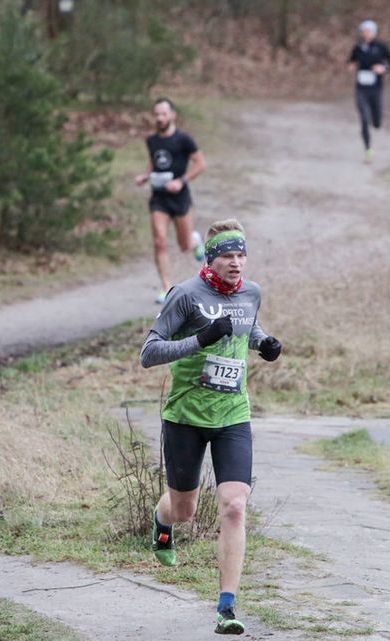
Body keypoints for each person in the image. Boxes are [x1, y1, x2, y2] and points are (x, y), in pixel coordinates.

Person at [139, 219, 283, 635]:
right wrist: (200, 340)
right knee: (184, 510)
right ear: (211, 258)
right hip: (185, 416)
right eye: (228, 256)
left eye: (242, 255)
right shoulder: (184, 296)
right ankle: (162, 520)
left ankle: (227, 607)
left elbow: (247, 326)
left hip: (233, 415)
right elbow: (148, 353)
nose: (237, 263)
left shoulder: (250, 293)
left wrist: (264, 343)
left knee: (235, 506)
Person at [135, 97, 207, 304]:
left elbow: (200, 164)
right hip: (159, 198)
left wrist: (181, 181)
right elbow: (154, 162)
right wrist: (145, 175)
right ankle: (166, 287)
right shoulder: (152, 141)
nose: (159, 118)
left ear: (172, 115)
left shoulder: (184, 139)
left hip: (180, 197)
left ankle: (194, 241)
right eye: (156, 114)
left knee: (184, 245)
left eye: (163, 114)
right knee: (159, 241)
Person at [347, 20, 390, 164]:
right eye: (363, 31)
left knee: (376, 121)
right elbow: (351, 61)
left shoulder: (381, 47)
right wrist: (351, 66)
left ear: (374, 32)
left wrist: (383, 68)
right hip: (361, 89)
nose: (365, 34)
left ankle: (376, 122)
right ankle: (368, 149)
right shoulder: (358, 47)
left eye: (368, 31)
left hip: (376, 88)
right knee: (363, 118)